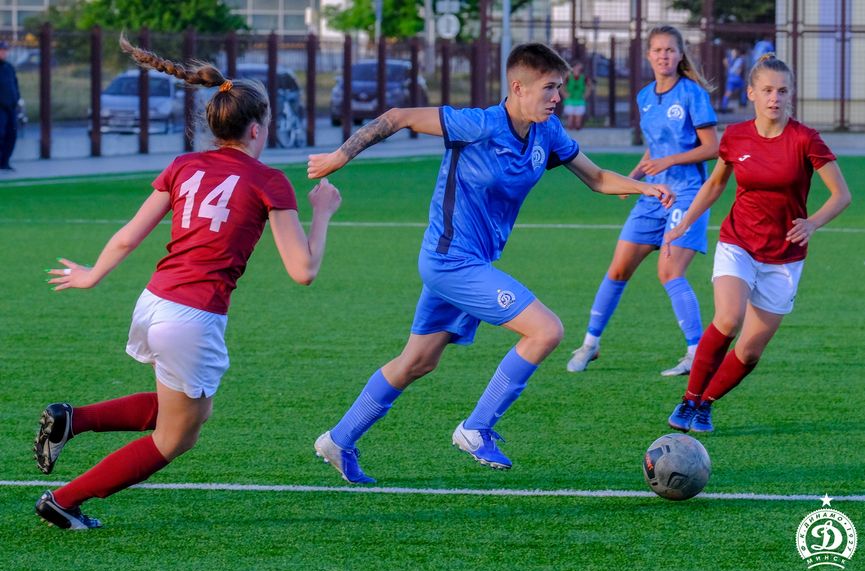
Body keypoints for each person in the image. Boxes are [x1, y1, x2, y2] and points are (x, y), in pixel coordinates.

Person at [307, 42, 674, 484]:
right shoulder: (477, 125)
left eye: (559, 87)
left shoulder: (547, 133)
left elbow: (596, 178)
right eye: (550, 87)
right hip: (450, 261)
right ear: (518, 87)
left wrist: (643, 187)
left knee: (417, 361)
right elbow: (398, 116)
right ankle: (476, 427)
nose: (558, 97)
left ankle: (339, 439)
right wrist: (339, 156)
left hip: (471, 262)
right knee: (546, 330)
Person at [32, 35, 342, 530]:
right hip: (192, 318)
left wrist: (92, 275)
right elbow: (302, 271)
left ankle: (73, 420)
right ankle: (63, 501)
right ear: (257, 129)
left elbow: (130, 235)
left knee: (188, 411)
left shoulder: (183, 165)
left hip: (154, 301)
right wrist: (322, 212)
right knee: (176, 437)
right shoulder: (268, 180)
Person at [665, 54, 851, 433]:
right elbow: (716, 184)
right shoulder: (735, 136)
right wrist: (684, 221)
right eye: (767, 90)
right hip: (739, 243)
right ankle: (688, 399)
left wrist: (812, 223)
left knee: (749, 352)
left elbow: (841, 195)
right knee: (728, 318)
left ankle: (706, 404)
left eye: (782, 91)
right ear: (751, 93)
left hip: (785, 257)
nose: (774, 98)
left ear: (790, 95)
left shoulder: (805, 139)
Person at [566, 25, 719, 377]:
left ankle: (696, 353)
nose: (664, 55)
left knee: (669, 271)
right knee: (618, 269)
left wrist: (669, 162)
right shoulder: (645, 96)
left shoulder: (692, 94)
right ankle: (590, 344)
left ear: (680, 55)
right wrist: (632, 180)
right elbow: (654, 148)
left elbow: (713, 147)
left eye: (670, 50)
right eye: (658, 50)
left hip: (687, 193)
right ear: (648, 55)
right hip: (652, 194)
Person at [0, 39, 20, 171]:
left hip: (11, 107)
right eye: (1, 50)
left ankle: (4, 162)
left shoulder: (9, 67)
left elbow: (15, 85)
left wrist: (17, 98)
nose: (3, 53)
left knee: (11, 135)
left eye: (5, 50)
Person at [563, 60, 592, 131]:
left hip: (579, 100)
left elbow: (590, 86)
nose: (577, 69)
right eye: (576, 67)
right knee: (570, 120)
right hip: (570, 100)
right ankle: (569, 131)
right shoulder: (568, 76)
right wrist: (564, 94)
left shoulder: (584, 77)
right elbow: (561, 85)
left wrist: (586, 95)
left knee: (578, 122)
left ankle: (578, 129)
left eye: (579, 67)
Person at [720, 47, 747, 111]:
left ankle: (742, 102)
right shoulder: (734, 60)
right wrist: (728, 67)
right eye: (733, 52)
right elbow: (725, 61)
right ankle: (724, 106)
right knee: (729, 92)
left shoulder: (738, 60)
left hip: (734, 79)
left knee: (743, 89)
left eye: (735, 52)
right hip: (733, 79)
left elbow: (740, 69)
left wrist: (728, 68)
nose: (734, 54)